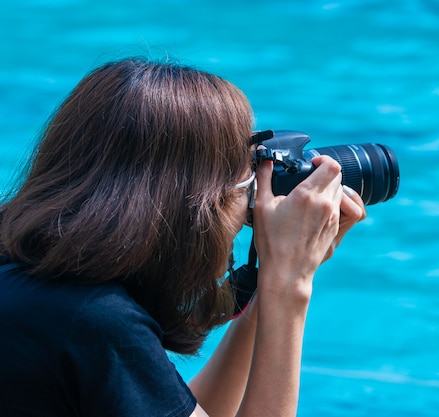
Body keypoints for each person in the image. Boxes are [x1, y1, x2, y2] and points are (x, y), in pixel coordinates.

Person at [0, 57, 366, 417]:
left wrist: (269, 283)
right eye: (246, 185)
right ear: (193, 205)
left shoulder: (35, 290)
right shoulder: (96, 324)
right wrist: (291, 284)